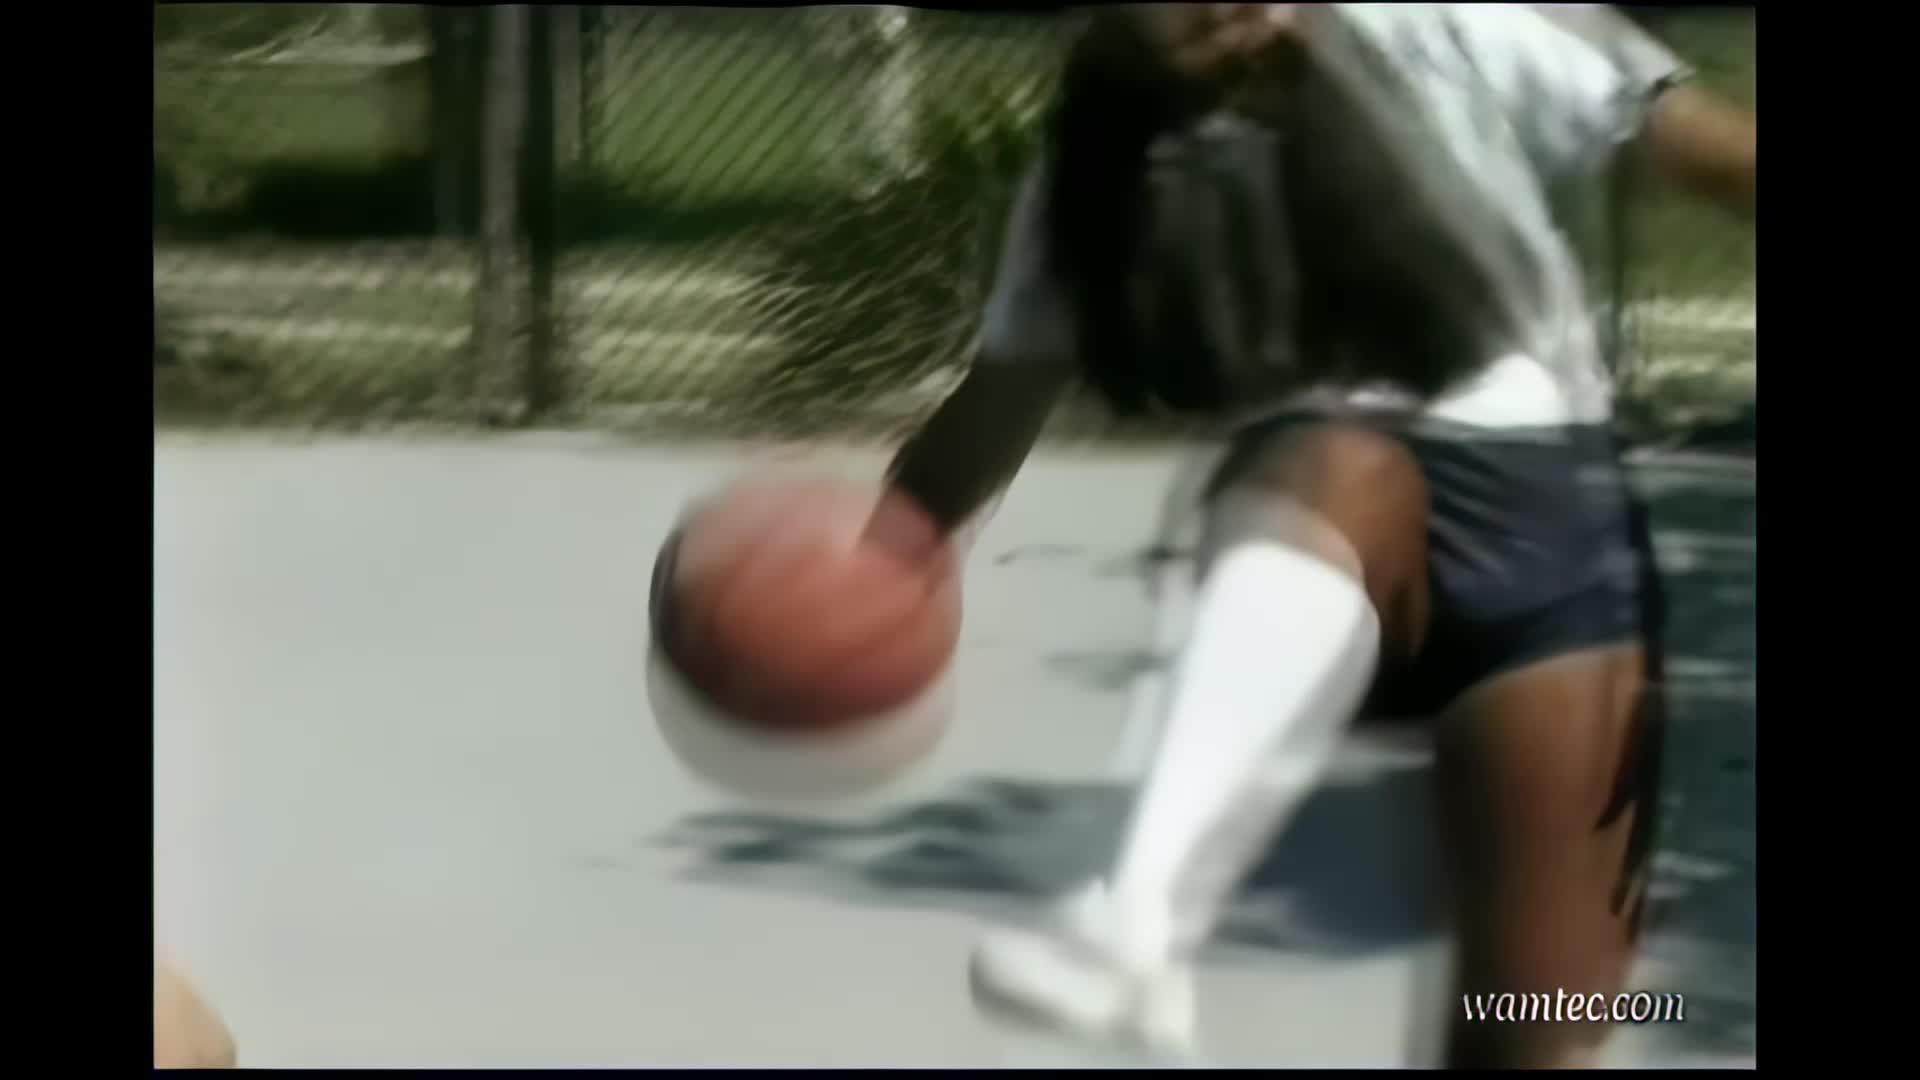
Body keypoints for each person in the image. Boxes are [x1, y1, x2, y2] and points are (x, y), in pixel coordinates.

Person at [870, 4, 1754, 1068]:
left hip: (1554, 545)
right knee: (1337, 461)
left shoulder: (1444, 24)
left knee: (1530, 1024)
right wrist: (878, 569)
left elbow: (1702, 145)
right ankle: (1138, 914)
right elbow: (998, 403)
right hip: (1320, 537)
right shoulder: (1092, 163)